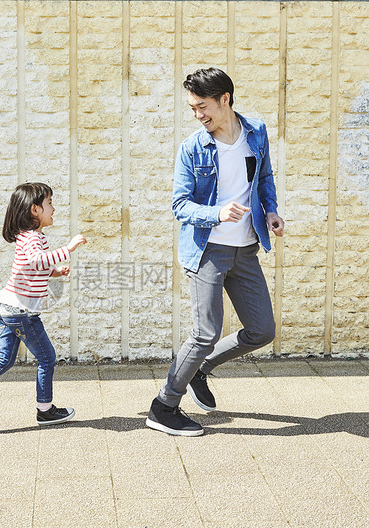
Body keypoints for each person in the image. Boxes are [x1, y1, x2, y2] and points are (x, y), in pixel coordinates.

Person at [147, 67, 285, 437]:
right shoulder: (193, 147)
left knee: (261, 330)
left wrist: (270, 210)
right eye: (192, 108)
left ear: (225, 99)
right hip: (207, 250)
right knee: (205, 331)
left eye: (202, 106)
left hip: (246, 249)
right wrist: (216, 213)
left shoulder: (255, 133)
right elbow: (179, 205)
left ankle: (200, 369)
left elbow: (265, 178)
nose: (198, 114)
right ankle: (163, 406)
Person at [0, 182, 87, 430]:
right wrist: (68, 249)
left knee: (4, 360)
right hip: (21, 312)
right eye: (49, 204)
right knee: (47, 357)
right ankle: (45, 410)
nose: (53, 209)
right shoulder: (32, 238)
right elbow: (36, 260)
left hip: (8, 309)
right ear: (35, 210)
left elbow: (32, 269)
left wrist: (54, 273)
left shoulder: (32, 238)